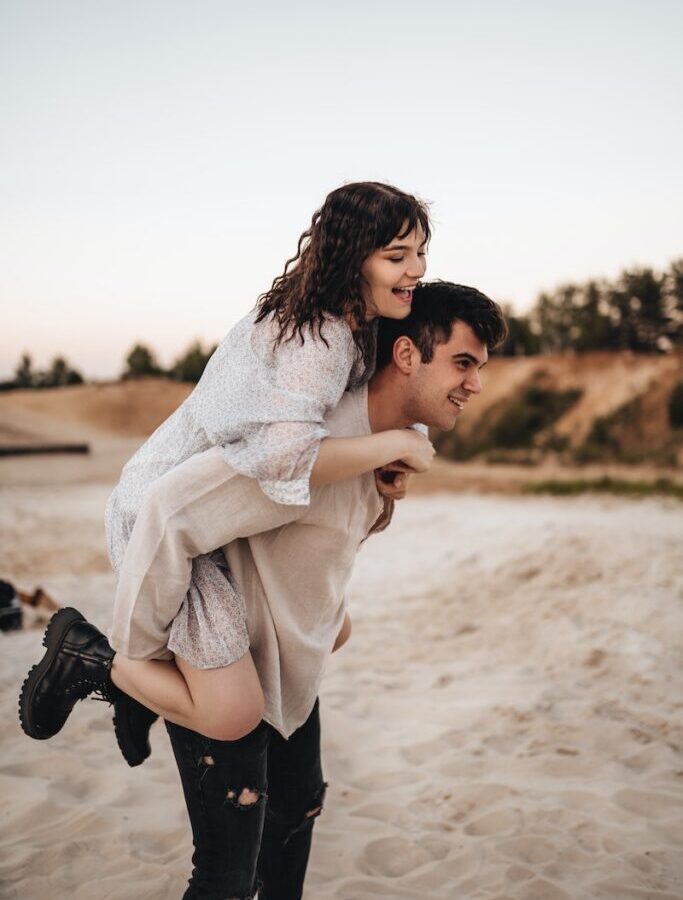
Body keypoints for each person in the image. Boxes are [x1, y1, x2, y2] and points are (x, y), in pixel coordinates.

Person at [20, 282, 507, 898]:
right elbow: (172, 512)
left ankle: (140, 688)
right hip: (220, 650)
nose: (476, 384)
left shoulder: (396, 446)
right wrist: (142, 648)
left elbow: (327, 543)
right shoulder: (303, 446)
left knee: (296, 814)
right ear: (407, 354)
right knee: (226, 875)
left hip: (287, 658)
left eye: (480, 367)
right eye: (463, 363)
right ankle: (98, 662)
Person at [18, 181, 433, 748]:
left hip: (227, 524)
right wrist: (393, 446)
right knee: (231, 714)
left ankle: (147, 694)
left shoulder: (354, 324)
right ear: (352, 257)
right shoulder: (319, 337)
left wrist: (388, 455)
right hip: (172, 520)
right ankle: (91, 657)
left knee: (330, 631)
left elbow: (353, 415)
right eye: (397, 256)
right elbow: (288, 454)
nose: (417, 269)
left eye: (420, 252)